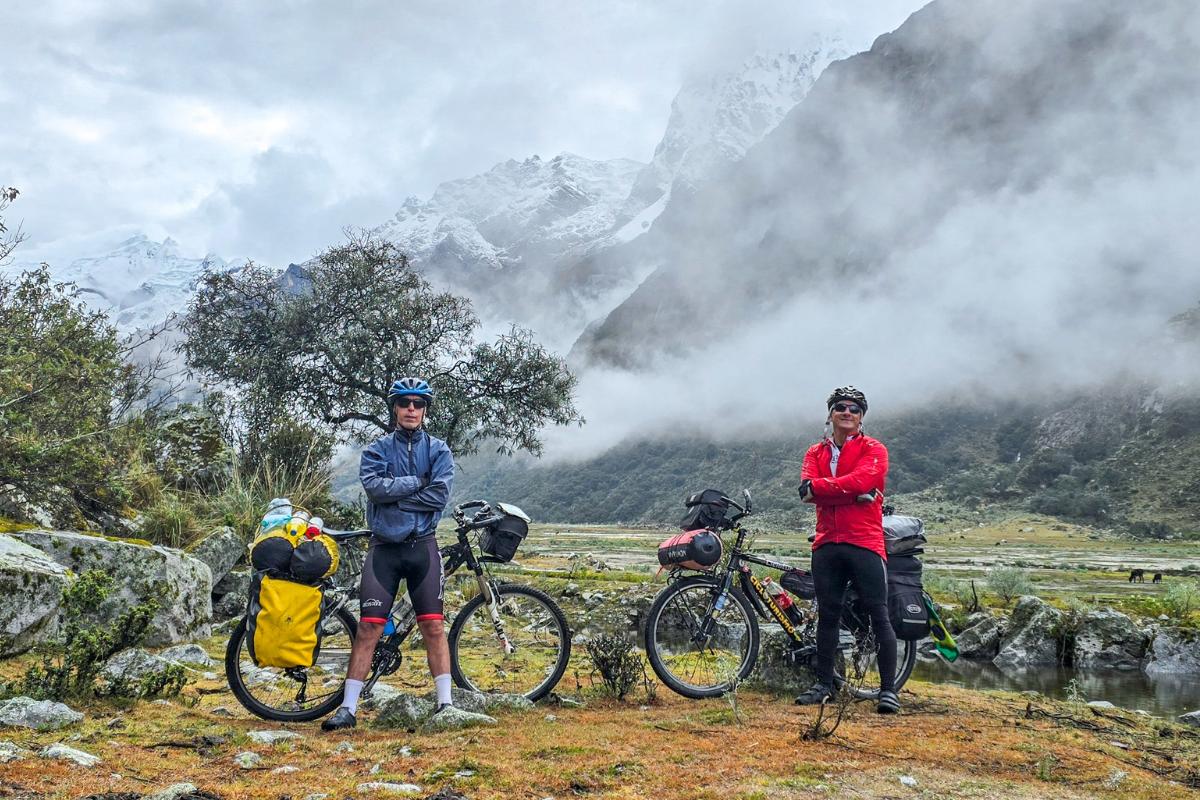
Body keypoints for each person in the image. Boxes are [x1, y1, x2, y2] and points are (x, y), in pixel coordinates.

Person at [321, 377, 456, 731]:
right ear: (395, 408)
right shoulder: (377, 449)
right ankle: (347, 710)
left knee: (433, 626)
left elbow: (439, 497)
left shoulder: (439, 450)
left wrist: (396, 493)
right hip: (384, 549)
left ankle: (446, 705)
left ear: (425, 410)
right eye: (404, 402)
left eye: (418, 403)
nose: (411, 408)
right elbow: (375, 490)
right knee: (368, 628)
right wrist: (415, 483)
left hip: (422, 546)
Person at [794, 386, 900, 714]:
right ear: (831, 414)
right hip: (827, 542)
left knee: (878, 614)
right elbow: (806, 492)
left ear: (862, 416)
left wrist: (828, 490)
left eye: (855, 408)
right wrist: (853, 495)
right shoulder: (815, 453)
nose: (847, 412)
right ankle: (824, 685)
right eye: (840, 407)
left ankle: (887, 691)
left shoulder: (875, 449)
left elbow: (861, 481)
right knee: (827, 615)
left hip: (864, 541)